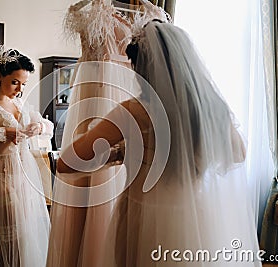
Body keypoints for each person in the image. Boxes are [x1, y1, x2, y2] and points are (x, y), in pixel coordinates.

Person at [56, 19, 261, 266]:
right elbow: (238, 154)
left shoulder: (134, 111)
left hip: (141, 219)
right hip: (192, 217)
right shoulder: (212, 109)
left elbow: (67, 163)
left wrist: (117, 154)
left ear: (143, 68)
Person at [0, 48, 53, 267]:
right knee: (14, 239)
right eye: (15, 82)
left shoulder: (18, 103)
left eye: (23, 84)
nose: (19, 89)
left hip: (23, 177)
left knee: (20, 239)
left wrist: (38, 126)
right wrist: (3, 133)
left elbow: (49, 126)